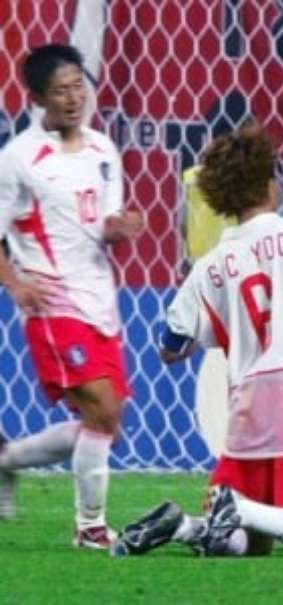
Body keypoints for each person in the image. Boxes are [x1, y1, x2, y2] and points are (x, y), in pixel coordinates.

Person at [112, 121, 283, 558]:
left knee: (252, 547)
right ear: (270, 184)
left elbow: (171, 346)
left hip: (248, 409)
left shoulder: (212, 264)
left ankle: (185, 527)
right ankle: (245, 510)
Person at [0, 44, 143, 548]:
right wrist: (16, 283)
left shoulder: (105, 150)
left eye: (78, 85)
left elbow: (102, 223)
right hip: (52, 304)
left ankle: (6, 460)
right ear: (37, 97)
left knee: (105, 422)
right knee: (102, 411)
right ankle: (91, 530)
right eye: (60, 90)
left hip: (100, 300)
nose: (73, 97)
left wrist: (121, 228)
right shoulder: (18, 159)